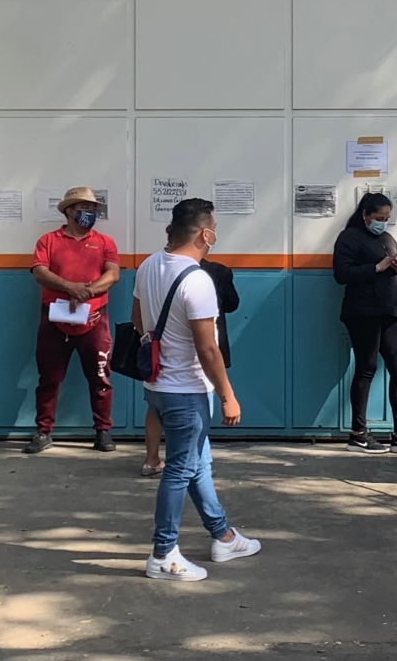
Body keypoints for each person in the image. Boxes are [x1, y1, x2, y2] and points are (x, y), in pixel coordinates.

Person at [134, 198, 260, 581]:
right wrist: (227, 394)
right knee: (179, 470)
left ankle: (223, 536)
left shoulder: (147, 265)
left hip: (157, 383)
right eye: (215, 229)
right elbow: (207, 348)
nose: (215, 235)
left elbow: (138, 319)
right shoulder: (197, 279)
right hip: (186, 390)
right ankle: (163, 553)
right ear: (205, 233)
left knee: (197, 464)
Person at [24, 187, 120, 455]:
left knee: (101, 377)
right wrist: (69, 287)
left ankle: (103, 432)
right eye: (83, 208)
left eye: (92, 209)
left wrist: (86, 291)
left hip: (95, 319)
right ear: (68, 211)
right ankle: (43, 432)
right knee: (49, 378)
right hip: (54, 320)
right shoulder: (48, 240)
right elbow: (40, 271)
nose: (89, 213)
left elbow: (112, 275)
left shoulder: (104, 242)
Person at [332, 192, 397, 456]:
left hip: (389, 311)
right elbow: (341, 273)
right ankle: (358, 434)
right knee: (367, 367)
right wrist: (377, 267)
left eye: (386, 218)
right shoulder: (349, 237)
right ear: (365, 215)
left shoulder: (387, 239)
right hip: (362, 312)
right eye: (378, 218)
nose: (382, 222)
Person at [143, 249, 240, 477]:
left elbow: (138, 315)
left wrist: (154, 344)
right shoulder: (214, 273)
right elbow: (232, 305)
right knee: (197, 414)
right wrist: (228, 397)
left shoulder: (152, 268)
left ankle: (152, 458)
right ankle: (194, 461)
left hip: (160, 358)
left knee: (155, 409)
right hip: (199, 362)